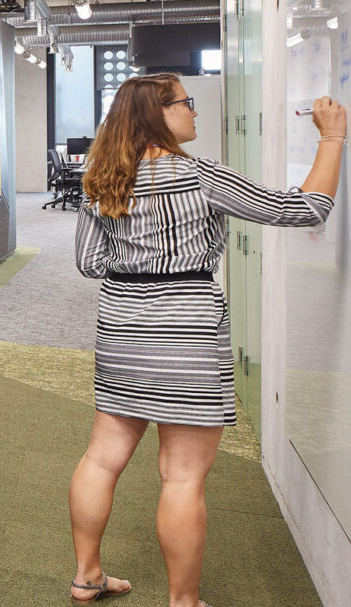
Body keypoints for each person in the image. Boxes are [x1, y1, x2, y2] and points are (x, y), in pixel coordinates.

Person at [68, 73, 344, 607]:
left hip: (121, 329)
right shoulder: (201, 177)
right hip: (188, 332)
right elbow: (303, 209)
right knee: (181, 478)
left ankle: (86, 577)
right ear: (158, 115)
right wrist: (332, 136)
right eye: (185, 103)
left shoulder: (102, 181)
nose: (194, 112)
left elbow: (88, 264)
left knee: (101, 459)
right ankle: (183, 602)